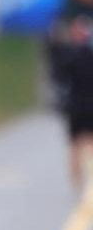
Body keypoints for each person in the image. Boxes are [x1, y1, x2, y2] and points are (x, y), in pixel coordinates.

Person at [48, 15, 93, 191]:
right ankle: (88, 183)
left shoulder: (70, 56)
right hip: (89, 105)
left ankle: (76, 183)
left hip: (75, 105)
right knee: (88, 142)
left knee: (74, 145)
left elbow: (59, 77)